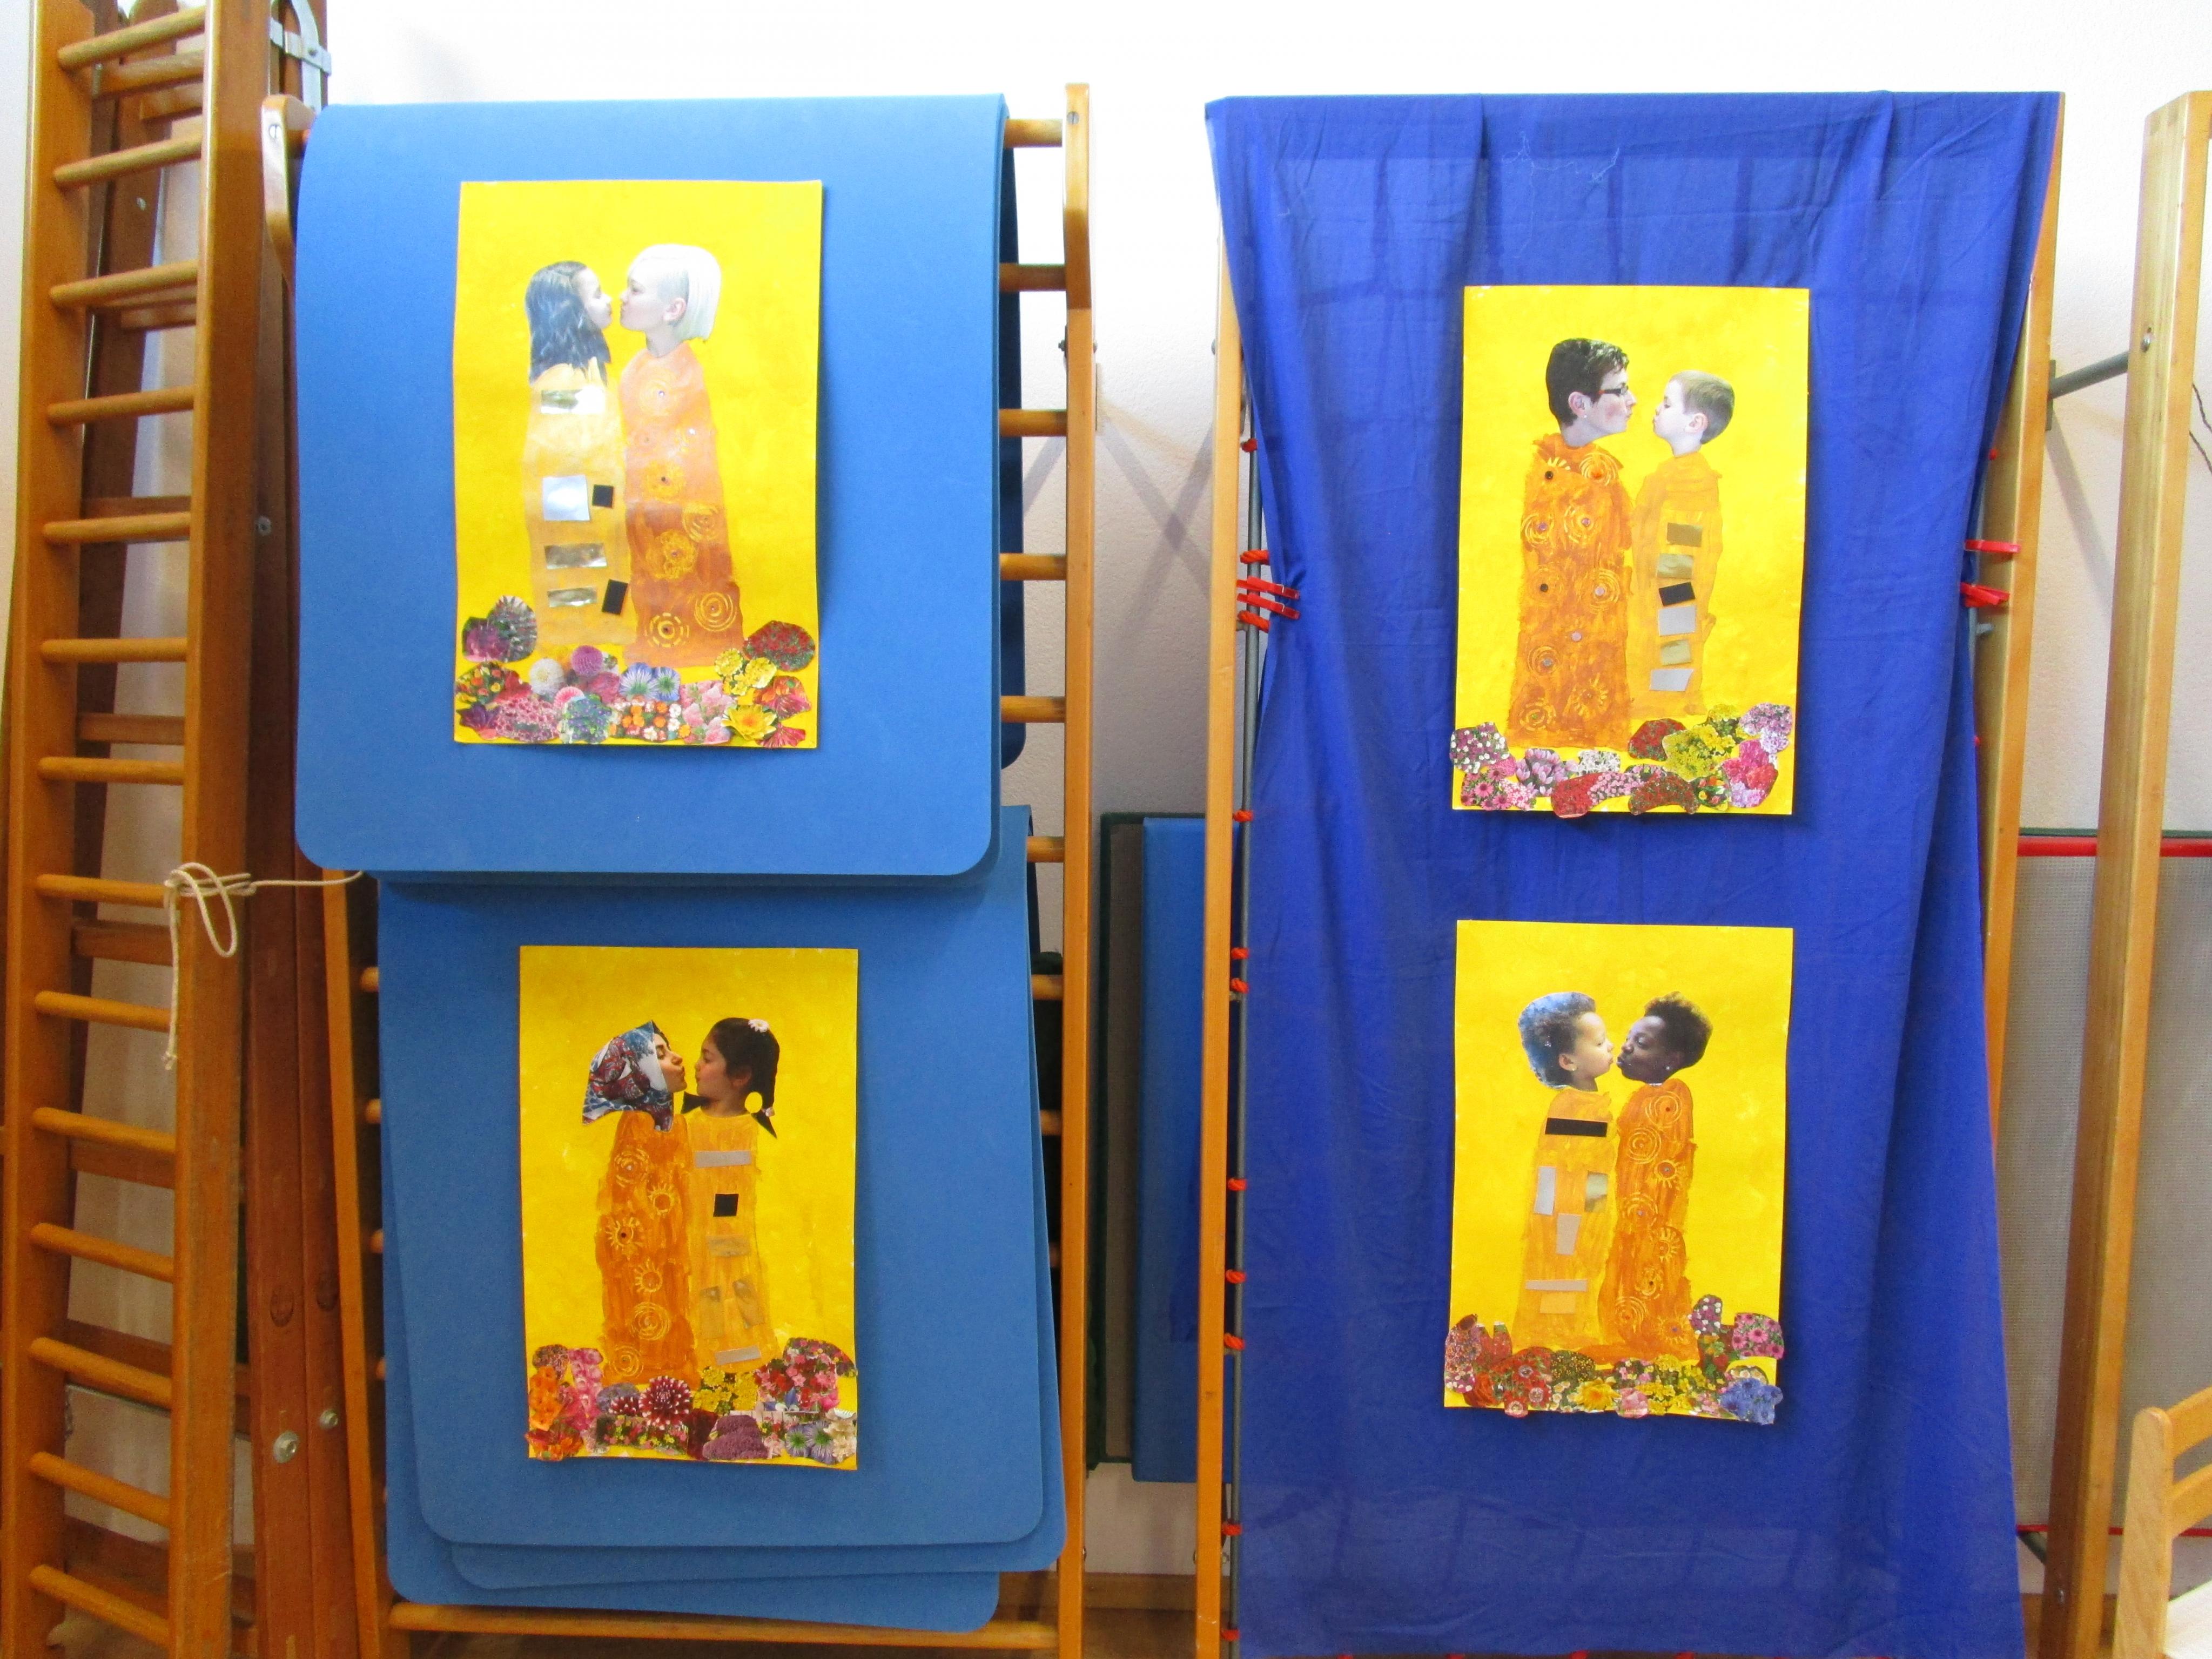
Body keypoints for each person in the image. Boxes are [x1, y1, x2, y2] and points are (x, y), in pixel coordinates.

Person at [617, 244, 746, 667]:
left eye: (635, 290)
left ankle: (702, 652)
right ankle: (655, 647)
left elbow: (692, 451)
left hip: (682, 508)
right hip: (645, 508)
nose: (622, 297)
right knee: (649, 578)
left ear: (673, 309)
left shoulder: (688, 374)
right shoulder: (635, 369)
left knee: (690, 580)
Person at [1507, 340, 1635, 750]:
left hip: (1603, 645)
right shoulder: (1547, 476)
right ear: (1579, 404)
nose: (1632, 400)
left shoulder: (1604, 471)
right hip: (1559, 659)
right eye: (1620, 390)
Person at [1598, 995, 1712, 1360]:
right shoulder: (1641, 1097)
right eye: (1629, 1038)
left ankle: (1650, 1344)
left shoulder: (1673, 1097)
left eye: (1642, 1043)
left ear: (1671, 1060)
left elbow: (1666, 1164)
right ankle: (1631, 1340)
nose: (1626, 1047)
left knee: (1650, 1274)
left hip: (1652, 1219)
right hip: (1631, 1216)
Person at [521, 261, 628, 650]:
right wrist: (609, 500)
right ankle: (581, 642)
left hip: (597, 510)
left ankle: (602, 635)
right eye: (597, 294)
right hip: (576, 518)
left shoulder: (588, 373)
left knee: (611, 586)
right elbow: (570, 459)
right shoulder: (564, 379)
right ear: (572, 313)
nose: (609, 299)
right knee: (582, 593)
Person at [584, 1022, 695, 1386]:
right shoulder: (639, 1128)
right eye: (660, 1054)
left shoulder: (674, 1127)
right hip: (646, 1264)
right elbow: (634, 1217)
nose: (677, 1058)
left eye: (669, 1049)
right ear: (637, 1075)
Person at [1510, 992, 1618, 1352]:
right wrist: (1587, 1212)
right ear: (1568, 1061)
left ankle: (1569, 1333)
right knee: (1565, 1268)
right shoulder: (1573, 1108)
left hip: (1580, 1209)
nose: (1610, 1046)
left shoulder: (1591, 1104)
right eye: (1600, 1043)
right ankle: (1556, 1337)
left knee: (1580, 1267)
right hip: (1566, 1213)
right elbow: (1569, 1171)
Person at [1628, 373, 1733, 720]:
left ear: (1695, 423)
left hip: (1672, 599)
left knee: (1671, 656)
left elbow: (1682, 560)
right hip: (1657, 598)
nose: (1657, 409)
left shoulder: (1692, 483)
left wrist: (1655, 602)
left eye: (1668, 403)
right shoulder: (1668, 475)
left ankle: (1667, 706)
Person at [682, 1018, 782, 1373]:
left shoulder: (754, 1133)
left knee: (733, 1313)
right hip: (689, 1250)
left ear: (740, 1076)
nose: (696, 1065)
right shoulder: (685, 1126)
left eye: (707, 1058)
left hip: (733, 1251)